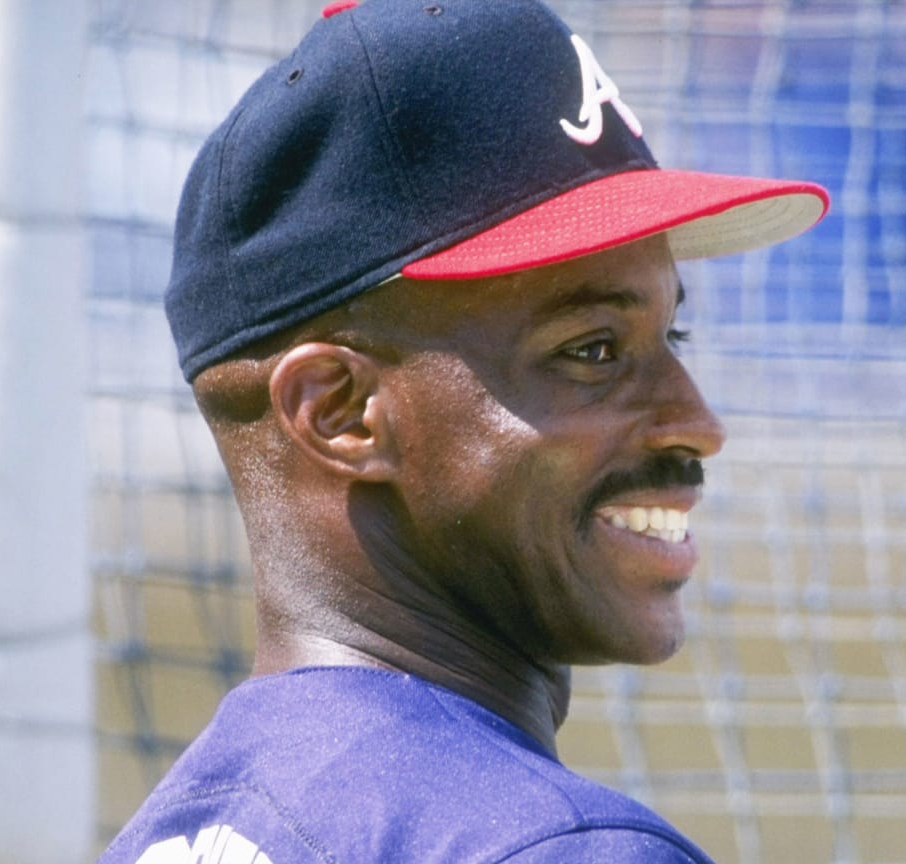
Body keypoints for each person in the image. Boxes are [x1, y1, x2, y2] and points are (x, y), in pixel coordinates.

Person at [99, 0, 827, 861]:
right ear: (339, 409)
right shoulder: (554, 848)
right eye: (594, 349)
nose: (697, 424)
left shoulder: (168, 834)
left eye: (674, 336)